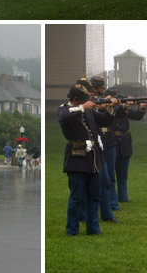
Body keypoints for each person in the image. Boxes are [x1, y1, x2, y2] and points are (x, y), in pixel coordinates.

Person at [58, 82, 115, 236]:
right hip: (76, 159)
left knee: (94, 196)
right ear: (76, 100)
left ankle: (93, 228)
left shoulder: (88, 110)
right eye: (84, 100)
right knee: (76, 197)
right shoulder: (65, 109)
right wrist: (83, 107)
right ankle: (72, 230)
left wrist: (110, 107)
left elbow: (103, 120)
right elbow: (64, 116)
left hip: (93, 159)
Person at [89, 76, 120, 221]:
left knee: (107, 179)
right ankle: (86, 214)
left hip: (107, 140)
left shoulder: (100, 101)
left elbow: (108, 119)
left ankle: (109, 211)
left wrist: (109, 106)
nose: (102, 90)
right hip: (94, 144)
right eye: (100, 87)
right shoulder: (87, 103)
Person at [112, 100, 147, 204]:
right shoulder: (109, 108)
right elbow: (116, 112)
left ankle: (123, 197)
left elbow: (136, 116)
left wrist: (141, 108)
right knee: (110, 175)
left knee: (123, 173)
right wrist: (123, 106)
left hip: (124, 142)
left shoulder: (125, 108)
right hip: (111, 140)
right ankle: (112, 198)